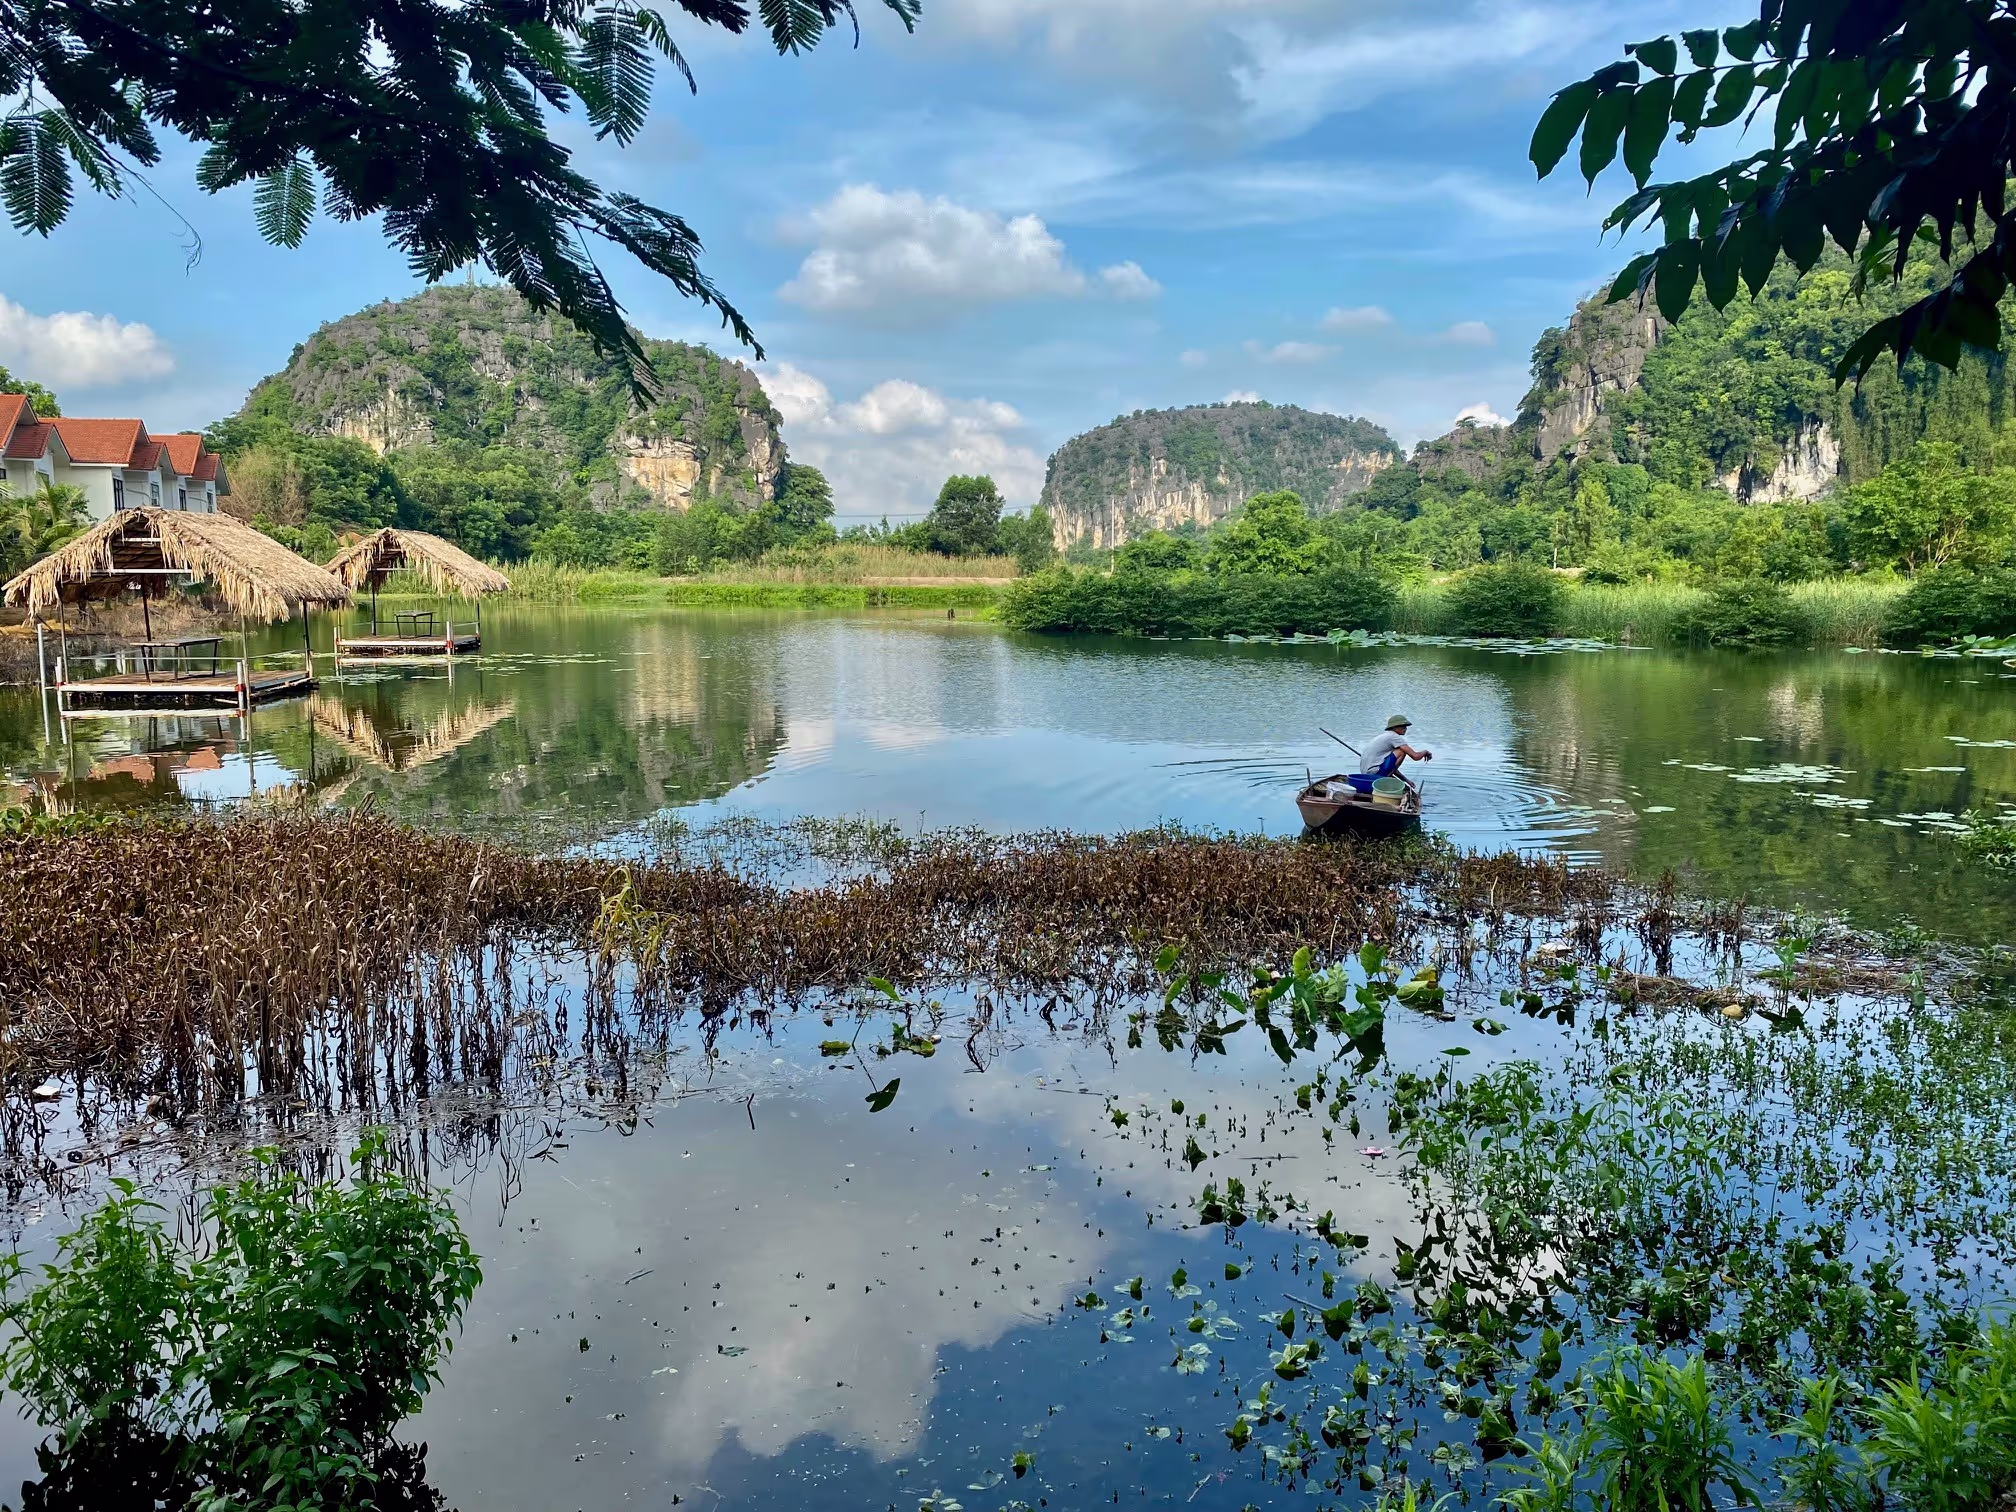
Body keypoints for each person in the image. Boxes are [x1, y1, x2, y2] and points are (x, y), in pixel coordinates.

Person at [1359, 714, 1432, 784]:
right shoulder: (1394, 737)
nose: (1405, 729)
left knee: (1400, 752)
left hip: (1367, 773)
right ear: (1395, 727)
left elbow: (1392, 766)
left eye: (1405, 727)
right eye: (1403, 727)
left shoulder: (1385, 736)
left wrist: (1406, 780)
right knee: (1402, 751)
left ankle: (1387, 777)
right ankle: (1385, 778)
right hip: (1375, 773)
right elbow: (1415, 757)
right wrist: (1425, 752)